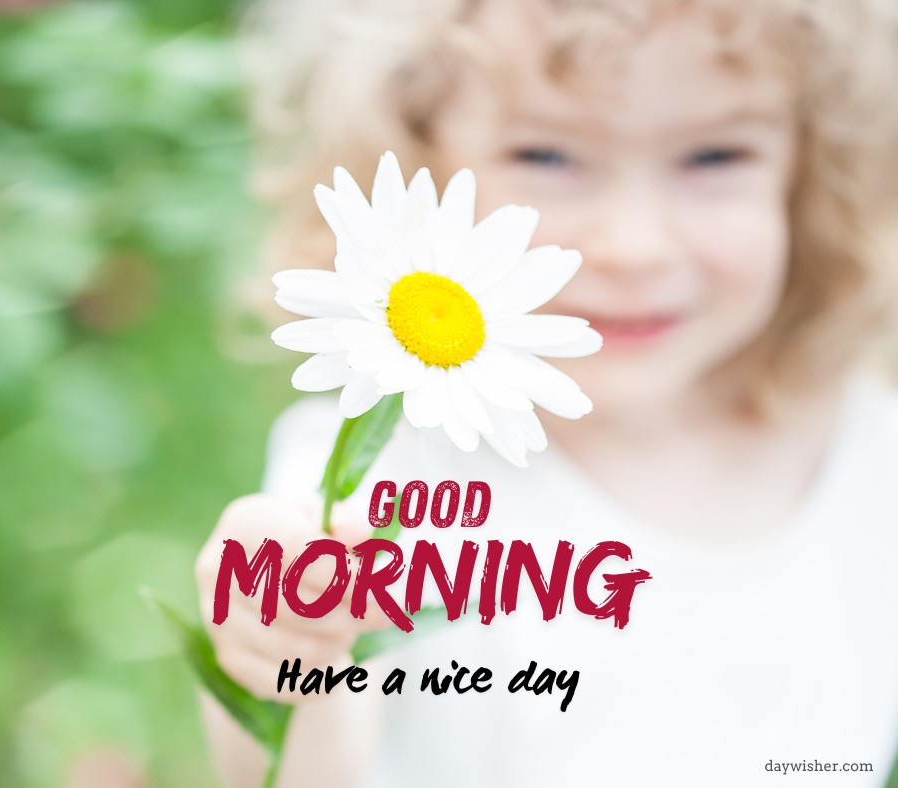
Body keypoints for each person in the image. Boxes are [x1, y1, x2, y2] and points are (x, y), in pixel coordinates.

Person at [195, 0, 898, 785]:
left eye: (714, 157)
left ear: (815, 167)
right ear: (411, 159)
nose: (634, 245)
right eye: (546, 156)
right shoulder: (381, 473)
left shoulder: (869, 450)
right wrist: (285, 652)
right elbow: (300, 773)